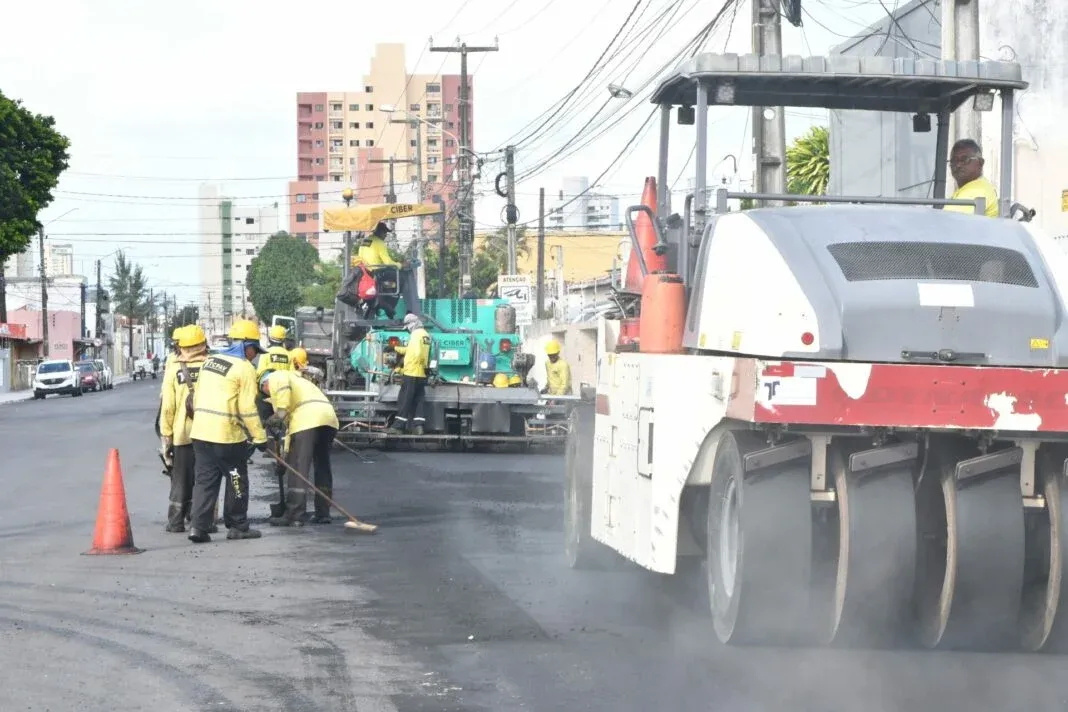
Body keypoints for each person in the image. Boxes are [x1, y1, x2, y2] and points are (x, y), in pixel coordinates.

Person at [187, 319, 269, 543]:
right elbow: (247, 408)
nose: (255, 355)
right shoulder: (244, 368)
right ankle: (238, 525)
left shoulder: (209, 362)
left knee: (205, 481)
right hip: (226, 437)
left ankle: (198, 527)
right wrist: (260, 437)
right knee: (235, 479)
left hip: (201, 432)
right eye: (254, 350)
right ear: (246, 345)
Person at [260, 369, 340, 526]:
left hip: (308, 420)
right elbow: (290, 435)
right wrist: (283, 459)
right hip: (329, 420)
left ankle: (294, 514)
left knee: (298, 467)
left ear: (265, 383)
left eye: (264, 390)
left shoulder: (278, 375)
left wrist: (279, 414)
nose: (267, 394)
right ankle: (323, 513)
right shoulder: (302, 383)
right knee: (322, 466)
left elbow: (283, 398)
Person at [159, 324, 210, 533]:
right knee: (205, 479)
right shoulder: (213, 368)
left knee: (180, 479)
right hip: (209, 432)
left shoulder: (174, 370)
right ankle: (202, 521)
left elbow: (168, 408)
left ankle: (176, 522)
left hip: (183, 434)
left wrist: (166, 437)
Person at [358, 221, 421, 316]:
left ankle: (385, 302)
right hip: (379, 273)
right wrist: (401, 265)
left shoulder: (365, 241)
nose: (385, 235)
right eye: (385, 233)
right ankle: (402, 309)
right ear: (379, 232)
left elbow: (361, 257)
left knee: (392, 279)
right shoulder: (379, 243)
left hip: (367, 273)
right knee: (402, 279)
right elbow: (388, 262)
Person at [389, 313, 431, 435]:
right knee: (419, 400)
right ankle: (418, 427)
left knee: (404, 399)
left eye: (407, 326)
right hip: (421, 374)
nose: (407, 329)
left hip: (411, 373)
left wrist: (400, 370)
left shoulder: (415, 335)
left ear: (412, 324)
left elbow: (416, 354)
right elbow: (411, 350)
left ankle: (398, 427)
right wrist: (396, 348)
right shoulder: (425, 335)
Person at [943, 138, 999, 218]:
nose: (958, 165)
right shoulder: (969, 187)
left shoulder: (977, 190)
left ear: (980, 163)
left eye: (965, 160)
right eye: (954, 160)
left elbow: (945, 222)